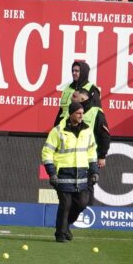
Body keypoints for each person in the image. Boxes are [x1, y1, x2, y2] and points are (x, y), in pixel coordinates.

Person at [42, 101, 99, 243]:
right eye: (78, 113)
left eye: (82, 113)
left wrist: (94, 171)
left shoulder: (87, 131)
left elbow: (91, 152)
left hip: (81, 174)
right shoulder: (57, 131)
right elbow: (47, 152)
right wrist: (52, 173)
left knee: (82, 203)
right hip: (63, 174)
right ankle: (60, 234)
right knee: (66, 204)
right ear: (71, 114)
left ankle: (66, 226)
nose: (81, 116)